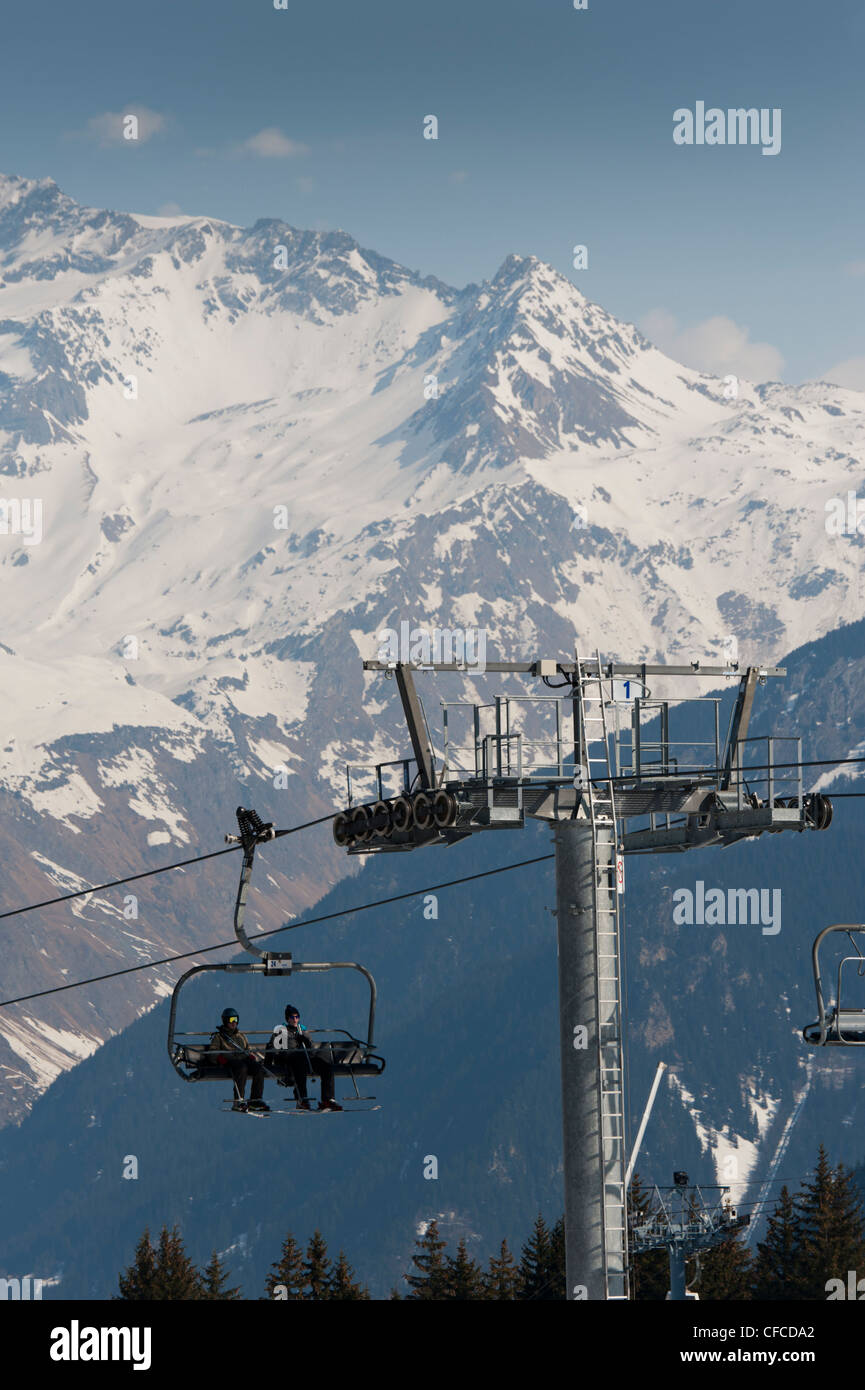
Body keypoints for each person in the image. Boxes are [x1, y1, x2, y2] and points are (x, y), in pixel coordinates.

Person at [266, 1004, 342, 1112]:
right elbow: (273, 1047)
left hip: (304, 1057)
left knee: (326, 1067)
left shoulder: (302, 1030)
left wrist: (305, 1040)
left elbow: (311, 1049)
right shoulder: (281, 1031)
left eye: (297, 1017)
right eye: (292, 1017)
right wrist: (271, 1061)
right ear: (288, 1019)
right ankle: (301, 1099)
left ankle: (328, 1099)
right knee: (299, 1065)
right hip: (289, 1058)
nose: (295, 1020)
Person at [207, 1007, 270, 1113]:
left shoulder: (241, 1036)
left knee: (258, 1068)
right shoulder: (219, 1037)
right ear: (226, 1021)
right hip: (229, 1061)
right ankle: (238, 1101)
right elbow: (212, 1052)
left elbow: (247, 1049)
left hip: (242, 1059)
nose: (234, 1023)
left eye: (236, 1019)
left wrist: (250, 1055)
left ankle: (255, 1100)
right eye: (231, 1020)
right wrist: (220, 1058)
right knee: (242, 1068)